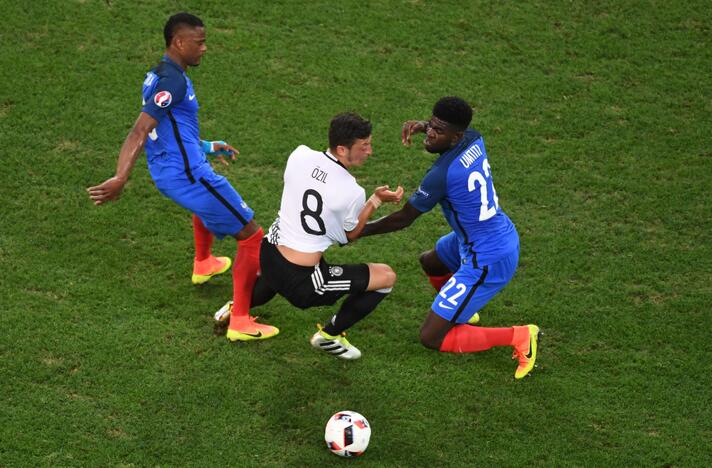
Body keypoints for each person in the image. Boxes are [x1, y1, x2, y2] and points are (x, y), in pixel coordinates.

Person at [87, 12, 278, 342]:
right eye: (199, 42)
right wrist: (120, 177)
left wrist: (207, 146)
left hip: (168, 172)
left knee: (205, 207)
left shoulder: (158, 75)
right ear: (179, 42)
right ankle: (241, 321)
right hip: (189, 175)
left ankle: (203, 263)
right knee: (250, 235)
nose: (204, 48)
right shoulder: (172, 82)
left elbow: (169, 129)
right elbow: (140, 130)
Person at [358, 97, 541, 379]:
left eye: (437, 131)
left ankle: (519, 336)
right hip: (483, 236)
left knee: (430, 337)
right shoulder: (473, 138)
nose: (430, 133)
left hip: (487, 257)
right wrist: (423, 125)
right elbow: (450, 131)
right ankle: (461, 311)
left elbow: (404, 218)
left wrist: (361, 229)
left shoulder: (442, 175)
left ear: (456, 136)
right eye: (431, 125)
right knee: (431, 262)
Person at [237, 112, 403, 359]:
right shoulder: (351, 190)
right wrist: (375, 200)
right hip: (303, 282)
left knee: (277, 273)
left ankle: (237, 309)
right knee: (386, 276)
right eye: (364, 145)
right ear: (341, 149)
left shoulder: (299, 154)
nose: (370, 151)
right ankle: (330, 335)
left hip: (269, 253)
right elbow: (349, 235)